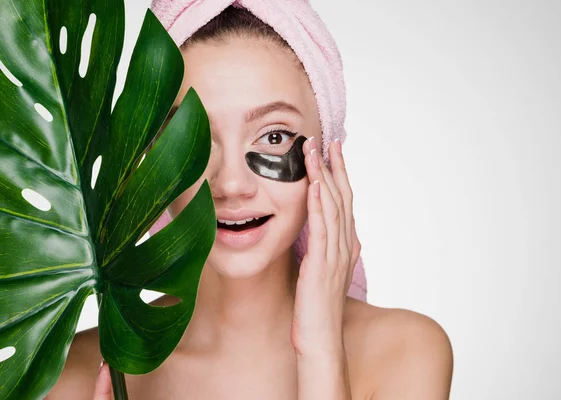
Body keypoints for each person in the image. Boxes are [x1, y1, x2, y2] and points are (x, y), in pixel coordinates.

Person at [48, 2, 453, 399]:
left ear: (327, 153)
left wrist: (321, 352)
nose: (231, 184)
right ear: (152, 157)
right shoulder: (79, 374)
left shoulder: (405, 353)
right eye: (194, 137)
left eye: (274, 136)